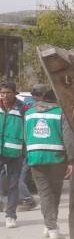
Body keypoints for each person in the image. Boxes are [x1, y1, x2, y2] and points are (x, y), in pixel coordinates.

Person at [23, 85, 72, 239]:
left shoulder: (29, 113)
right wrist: (71, 160)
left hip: (36, 158)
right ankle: (52, 227)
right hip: (57, 158)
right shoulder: (60, 112)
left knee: (44, 194)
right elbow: (68, 138)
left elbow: (26, 137)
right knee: (55, 193)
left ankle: (49, 226)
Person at [0, 81, 23, 228]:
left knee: (13, 185)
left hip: (16, 152)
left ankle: (11, 215)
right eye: (2, 93)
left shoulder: (23, 109)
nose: (4, 95)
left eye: (8, 92)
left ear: (15, 93)